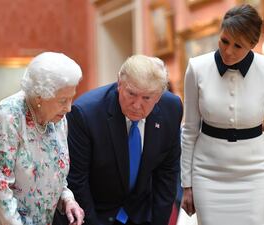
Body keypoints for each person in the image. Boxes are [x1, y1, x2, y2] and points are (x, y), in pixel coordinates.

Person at [180, 4, 264, 225]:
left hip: (256, 174)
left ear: (252, 44)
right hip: (207, 173)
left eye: (238, 45)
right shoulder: (196, 68)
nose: (228, 51)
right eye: (224, 41)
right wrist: (187, 184)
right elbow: (189, 130)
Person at [53, 55, 183, 225]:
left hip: (142, 212)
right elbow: (78, 180)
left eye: (146, 98)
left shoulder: (171, 108)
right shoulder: (86, 113)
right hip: (97, 211)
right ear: (119, 84)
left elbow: (167, 173)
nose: (137, 105)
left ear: (158, 96)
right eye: (131, 93)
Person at [0, 52, 85, 225]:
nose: (69, 108)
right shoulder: (7, 116)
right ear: (40, 96)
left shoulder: (58, 120)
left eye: (71, 98)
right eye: (63, 100)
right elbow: (0, 187)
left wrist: (68, 200)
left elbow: (55, 176)